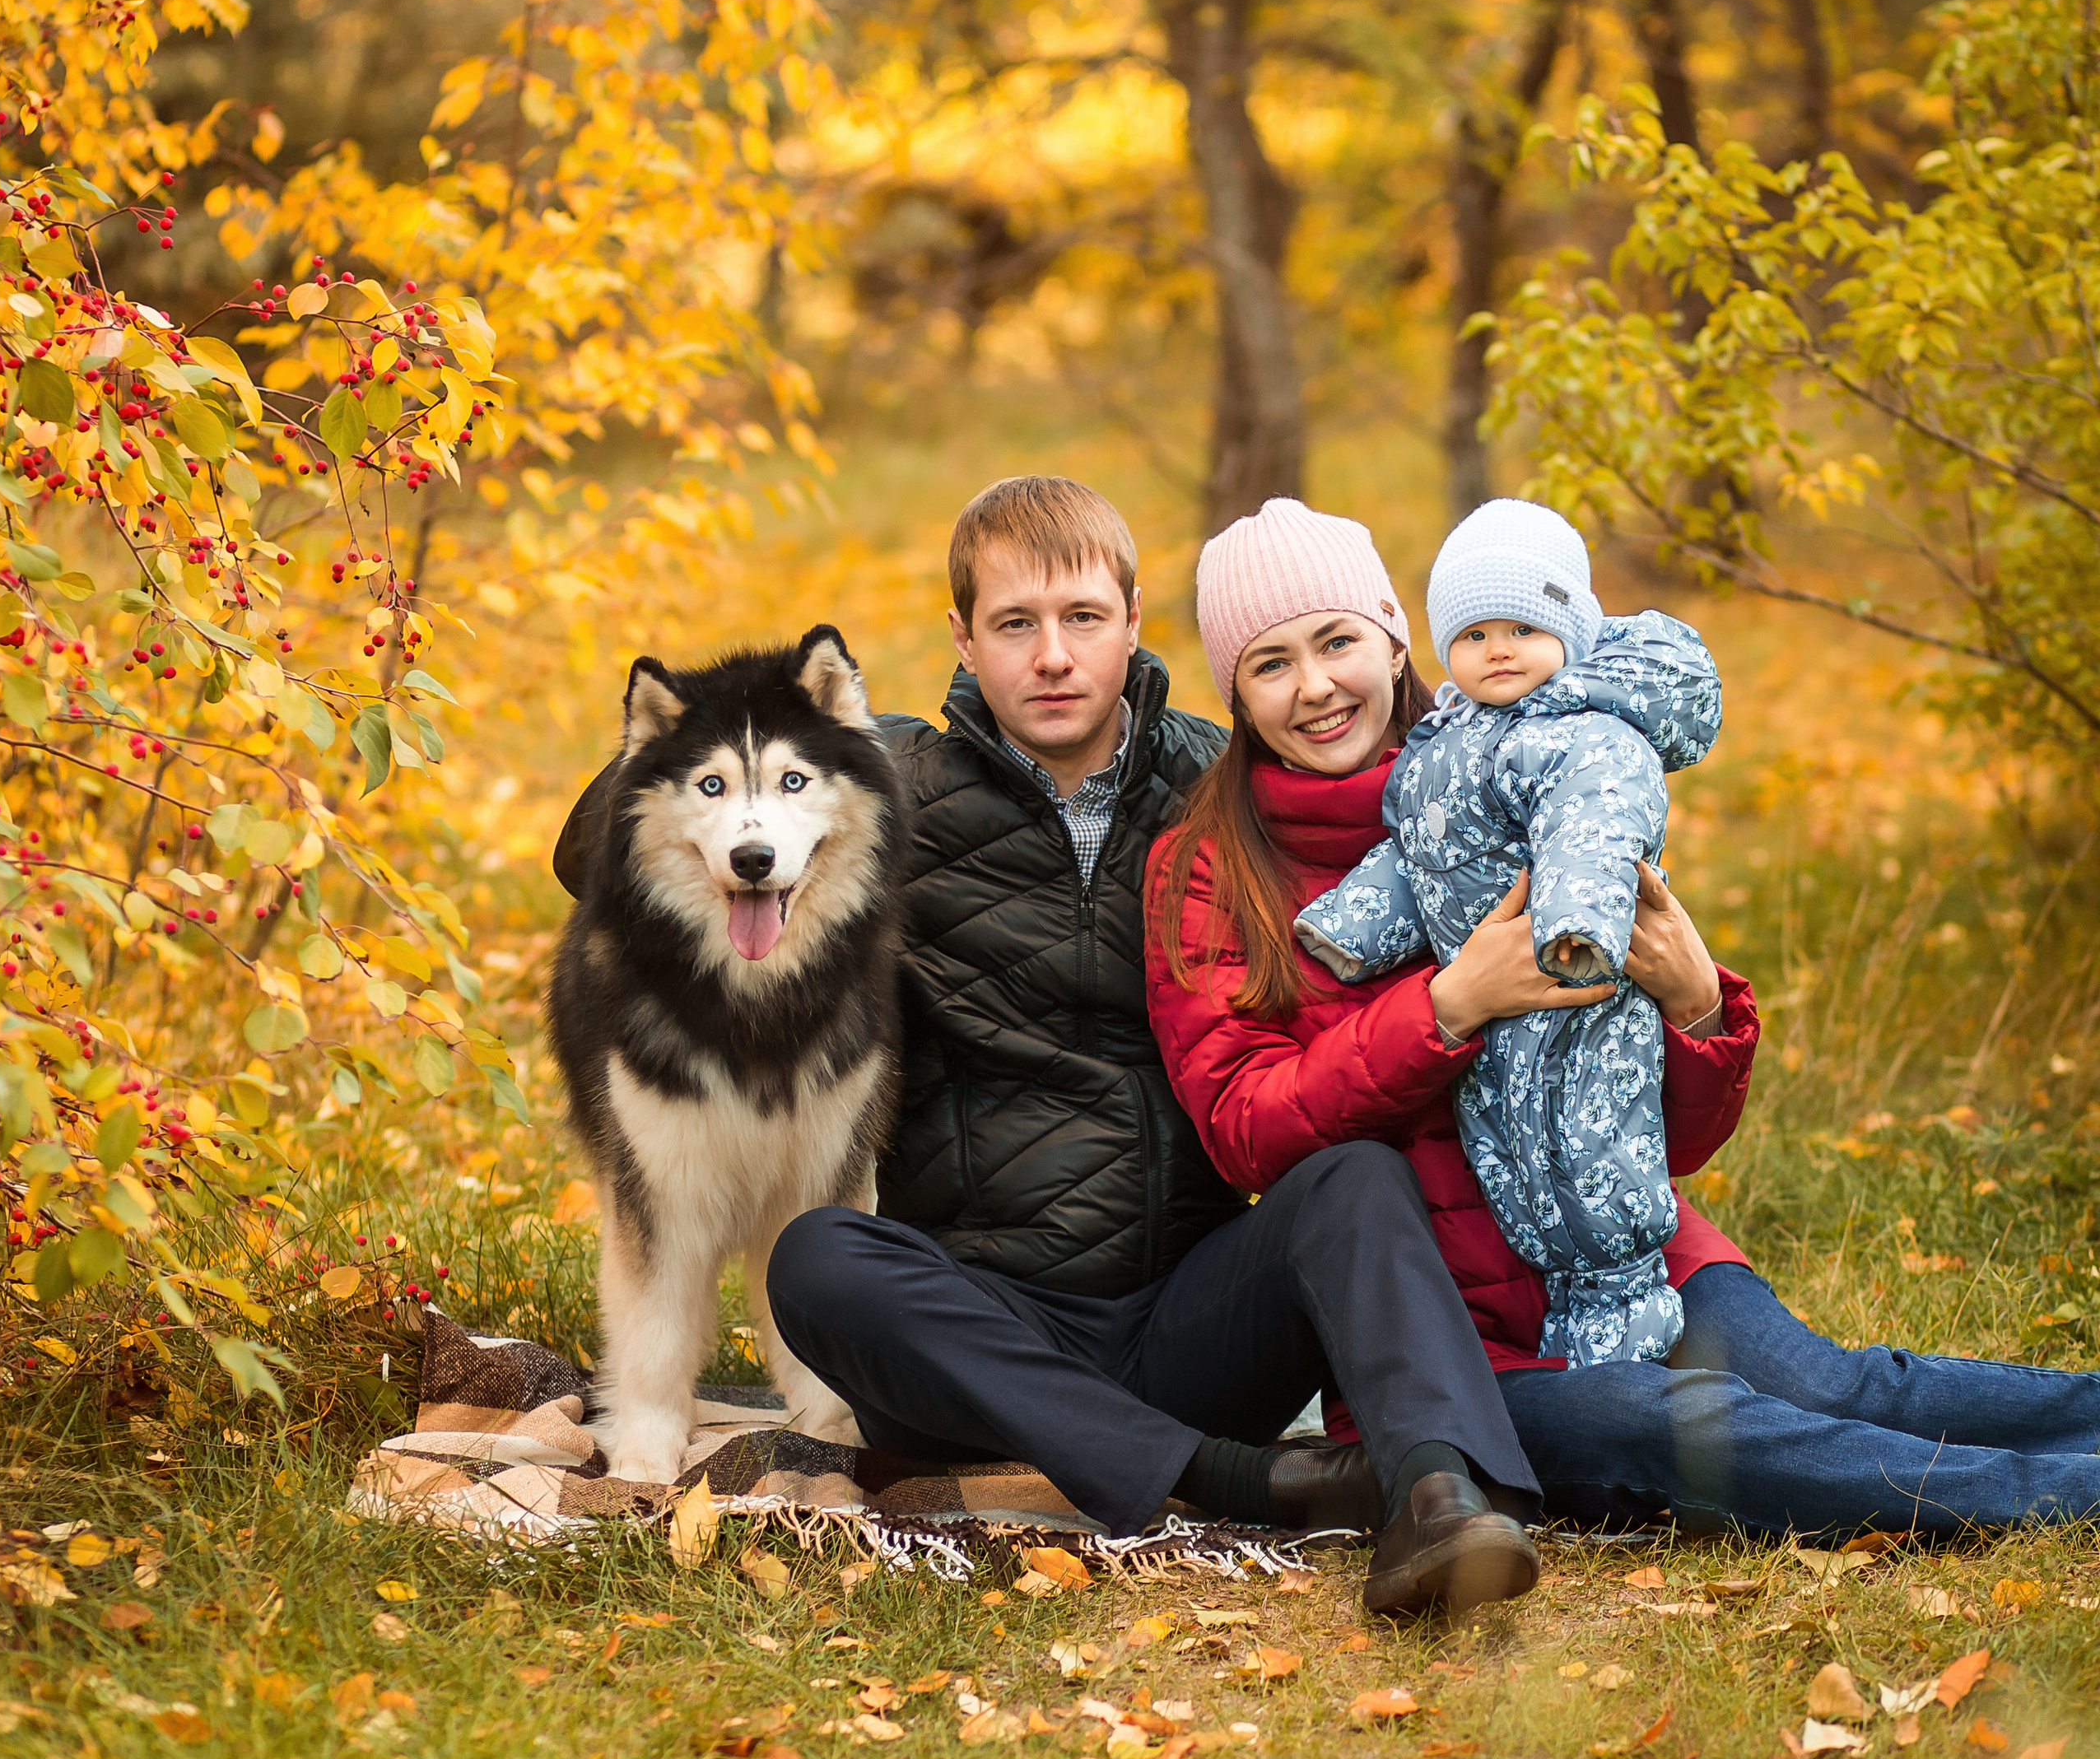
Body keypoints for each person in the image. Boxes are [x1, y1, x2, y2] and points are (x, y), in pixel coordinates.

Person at [1147, 496, 2100, 1542]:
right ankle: (2057, 1499)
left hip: (1631, 1258)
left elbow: (1668, 1137)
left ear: (1392, 635)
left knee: (1839, 1391)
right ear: (1232, 690)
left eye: (1337, 642)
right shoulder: (1206, 869)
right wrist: (1446, 1008)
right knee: (1690, 1426)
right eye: (1270, 663)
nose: (1316, 686)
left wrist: (1695, 1003)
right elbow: (1244, 1128)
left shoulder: (1537, 757)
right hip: (1456, 1349)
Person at [745, 476, 1548, 1616]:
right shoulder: (887, 797)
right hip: (980, 1337)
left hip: (1195, 1317)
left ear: (1133, 621)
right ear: (964, 641)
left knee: (1353, 1177)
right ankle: (1243, 1481)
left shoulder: (1228, 787)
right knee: (820, 1257)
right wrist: (800, 745)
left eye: (1082, 619)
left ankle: (1439, 1500)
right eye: (1016, 626)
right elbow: (603, 850)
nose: (1054, 657)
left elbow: (1426, 807)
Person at [1293, 500, 1724, 1368]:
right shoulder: (1440, 743)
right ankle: (1577, 1327)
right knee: (1520, 1170)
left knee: (1597, 1165)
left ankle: (1622, 1341)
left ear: (1569, 632)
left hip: (1582, 998)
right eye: (1474, 632)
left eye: (1523, 626)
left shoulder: (1587, 736)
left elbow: (1593, 829)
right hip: (1494, 1032)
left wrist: (1573, 922)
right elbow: (1413, 856)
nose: (1498, 649)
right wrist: (1349, 925)